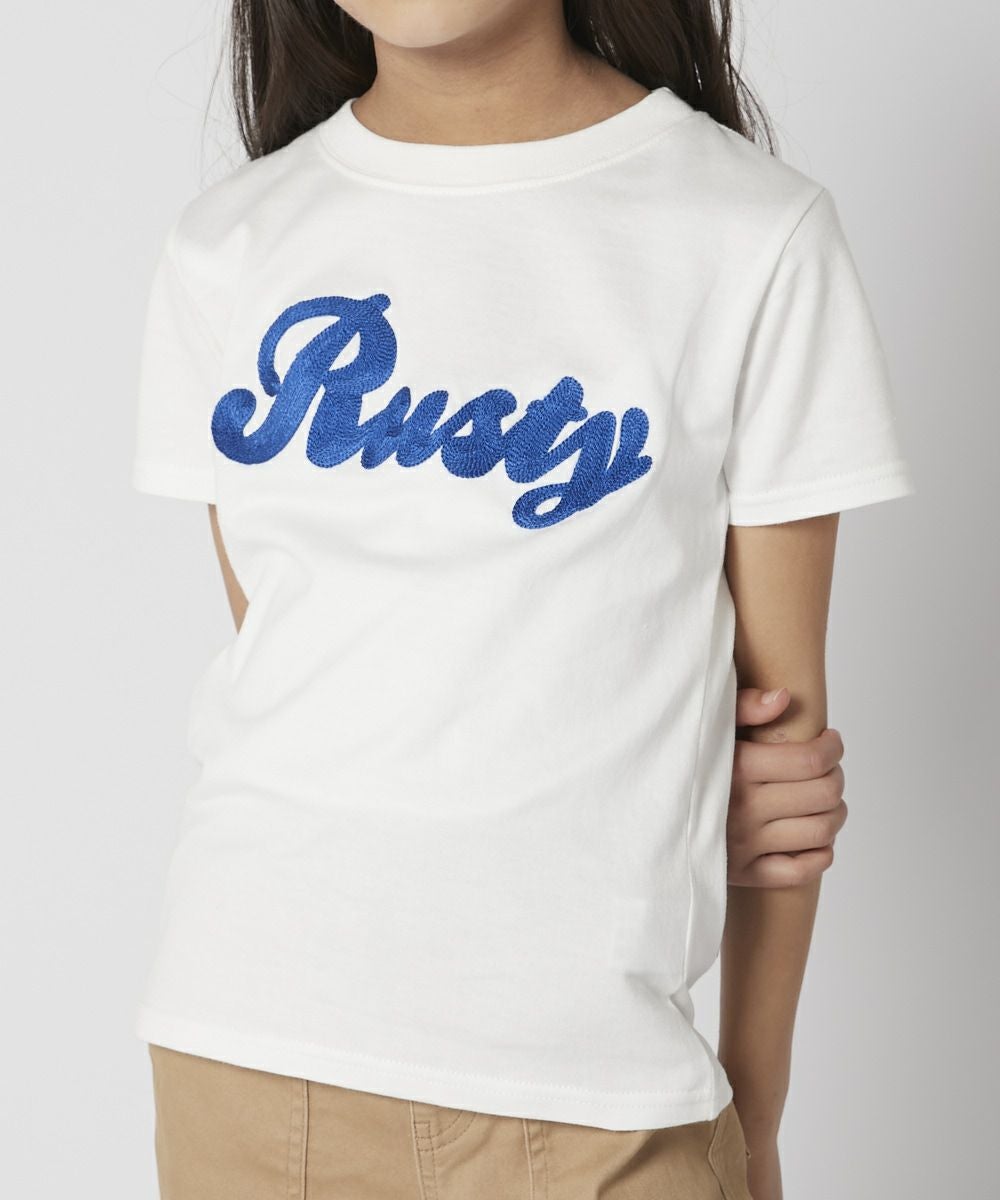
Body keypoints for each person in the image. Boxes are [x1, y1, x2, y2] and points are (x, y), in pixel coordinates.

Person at [130, 2, 915, 1198]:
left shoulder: (750, 234)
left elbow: (780, 746)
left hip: (607, 1092)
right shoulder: (229, 244)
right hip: (250, 1058)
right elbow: (298, 665)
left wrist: (754, 1113)